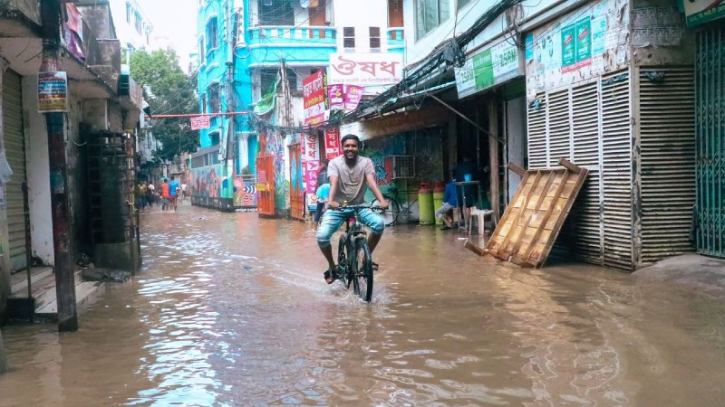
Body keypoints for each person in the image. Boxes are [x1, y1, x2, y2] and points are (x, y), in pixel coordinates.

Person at [316, 134, 388, 284]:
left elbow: (371, 182)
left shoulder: (366, 162)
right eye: (347, 146)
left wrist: (382, 201)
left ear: (358, 147)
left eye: (353, 146)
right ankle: (332, 267)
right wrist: (331, 202)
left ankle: (365, 259)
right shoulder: (334, 163)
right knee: (322, 237)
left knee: (379, 224)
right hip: (337, 208)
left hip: (359, 206)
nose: (350, 149)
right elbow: (334, 183)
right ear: (342, 148)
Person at [455, 155, 477, 229]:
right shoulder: (473, 166)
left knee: (464, 206)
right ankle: (470, 223)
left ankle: (466, 223)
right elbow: (478, 175)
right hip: (470, 188)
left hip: (461, 189)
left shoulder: (459, 167)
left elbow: (455, 178)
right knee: (468, 206)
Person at [314, 159, 330, 224]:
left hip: (321, 193)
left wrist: (315, 192)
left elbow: (317, 182)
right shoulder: (330, 171)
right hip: (328, 192)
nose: (321, 165)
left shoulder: (319, 171)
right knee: (329, 209)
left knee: (319, 209)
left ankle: (314, 228)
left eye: (322, 164)